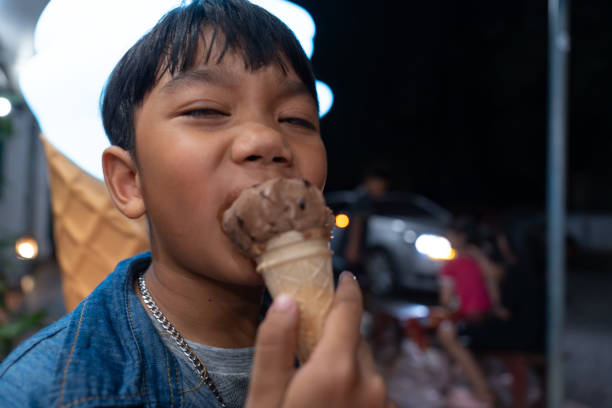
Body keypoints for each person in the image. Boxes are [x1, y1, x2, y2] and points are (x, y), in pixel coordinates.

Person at [0, 1, 393, 407]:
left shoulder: (342, 359)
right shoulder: (41, 390)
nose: (267, 140)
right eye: (206, 110)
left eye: (295, 119)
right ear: (130, 182)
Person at [435, 216, 495, 407]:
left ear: (460, 237)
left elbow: (446, 300)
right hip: (487, 314)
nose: (447, 237)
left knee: (446, 336)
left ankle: (482, 391)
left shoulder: (451, 265)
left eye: (450, 234)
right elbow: (493, 277)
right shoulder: (479, 257)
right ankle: (463, 382)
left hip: (471, 317)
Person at [343, 163, 391, 288]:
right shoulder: (363, 199)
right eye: (380, 187)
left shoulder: (360, 196)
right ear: (370, 182)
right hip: (355, 250)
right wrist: (353, 249)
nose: (382, 192)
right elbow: (357, 224)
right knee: (355, 283)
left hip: (358, 251)